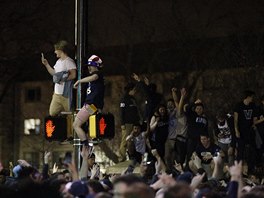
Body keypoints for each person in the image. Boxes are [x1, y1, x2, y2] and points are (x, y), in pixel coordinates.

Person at [73, 55, 105, 146]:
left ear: (95, 66)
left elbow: (93, 77)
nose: (89, 68)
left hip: (91, 105)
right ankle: (89, 139)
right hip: (94, 106)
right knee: (88, 125)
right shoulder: (97, 78)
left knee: (76, 125)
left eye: (90, 66)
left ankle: (85, 143)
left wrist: (79, 81)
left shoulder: (98, 75)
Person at [41, 40, 77, 116]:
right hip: (56, 94)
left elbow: (73, 75)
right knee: (52, 112)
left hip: (66, 95)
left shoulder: (69, 61)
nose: (55, 52)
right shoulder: (58, 62)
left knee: (72, 114)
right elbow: (54, 74)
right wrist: (46, 65)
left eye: (56, 50)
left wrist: (63, 79)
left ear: (61, 50)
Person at [234, 90, 256, 173]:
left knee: (252, 150)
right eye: (251, 97)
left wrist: (254, 124)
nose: (252, 99)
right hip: (241, 131)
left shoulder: (253, 105)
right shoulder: (239, 105)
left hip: (250, 131)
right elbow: (235, 120)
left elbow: (254, 116)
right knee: (240, 151)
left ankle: (250, 170)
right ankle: (238, 171)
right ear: (248, 97)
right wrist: (236, 130)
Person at [119, 82, 141, 162]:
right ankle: (122, 158)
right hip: (127, 123)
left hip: (134, 123)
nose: (135, 91)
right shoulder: (124, 99)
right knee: (125, 140)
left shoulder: (133, 99)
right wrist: (122, 123)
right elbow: (121, 112)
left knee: (134, 141)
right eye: (134, 89)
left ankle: (133, 156)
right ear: (130, 90)